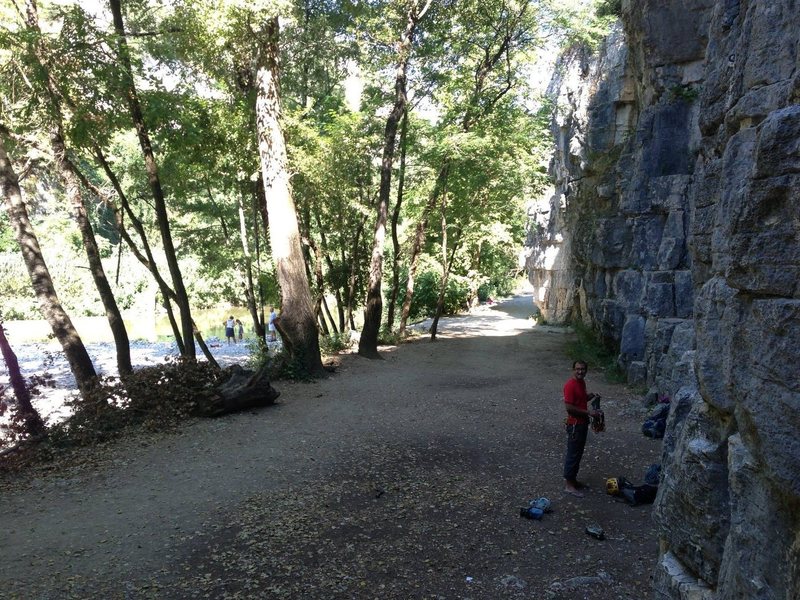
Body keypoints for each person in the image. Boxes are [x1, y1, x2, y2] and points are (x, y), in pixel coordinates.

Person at [562, 360, 601, 497]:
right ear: (573, 370)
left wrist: (589, 397)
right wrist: (589, 413)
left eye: (583, 369)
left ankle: (573, 480)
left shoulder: (581, 383)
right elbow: (569, 407)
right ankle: (569, 485)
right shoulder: (570, 385)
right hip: (575, 424)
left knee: (577, 453)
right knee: (573, 453)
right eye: (578, 369)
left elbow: (580, 399)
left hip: (581, 423)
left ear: (586, 370)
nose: (580, 371)